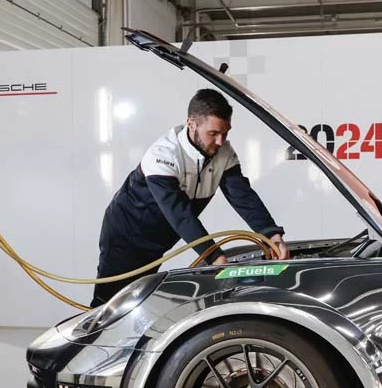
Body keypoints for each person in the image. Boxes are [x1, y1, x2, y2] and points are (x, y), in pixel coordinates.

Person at [90, 88, 289, 308]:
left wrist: (271, 233)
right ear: (191, 124)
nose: (221, 141)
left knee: (137, 305)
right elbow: (181, 216)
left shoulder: (223, 152)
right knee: (107, 308)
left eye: (225, 132)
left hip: (157, 243)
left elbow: (243, 197)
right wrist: (214, 257)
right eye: (213, 133)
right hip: (125, 236)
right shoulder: (163, 155)